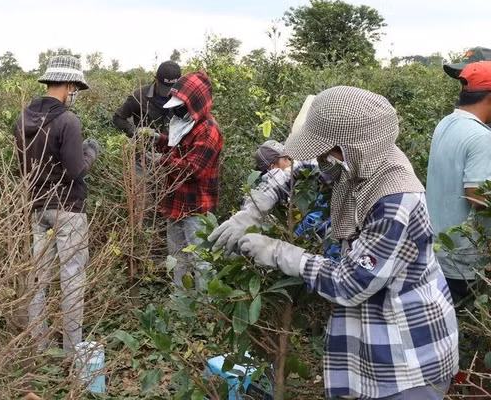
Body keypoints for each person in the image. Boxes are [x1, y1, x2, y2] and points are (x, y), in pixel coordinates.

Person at [236, 86, 458, 399]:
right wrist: (254, 208)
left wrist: (280, 253)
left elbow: (351, 283)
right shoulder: (367, 159)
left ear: (351, 147)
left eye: (328, 149)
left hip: (407, 358)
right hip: (371, 342)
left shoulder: (394, 199)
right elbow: (300, 171)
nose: (322, 157)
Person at [14, 55, 99, 354]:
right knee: (72, 277)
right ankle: (73, 353)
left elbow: (25, 167)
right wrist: (90, 152)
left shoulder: (22, 118)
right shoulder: (68, 120)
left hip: (37, 207)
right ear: (68, 84)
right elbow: (75, 170)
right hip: (68, 208)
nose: (74, 92)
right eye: (74, 87)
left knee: (39, 278)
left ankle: (40, 347)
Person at [427, 60, 491, 304]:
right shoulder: (481, 137)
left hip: (440, 250)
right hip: (465, 259)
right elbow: (478, 197)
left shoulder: (446, 123)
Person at [156, 71, 223, 290]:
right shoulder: (185, 122)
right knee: (177, 257)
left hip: (197, 209)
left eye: (181, 105)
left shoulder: (209, 130)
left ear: (194, 103)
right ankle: (181, 304)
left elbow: (193, 169)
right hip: (176, 204)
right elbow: (178, 147)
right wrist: (159, 141)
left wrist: (162, 160)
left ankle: (206, 310)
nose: (177, 109)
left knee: (201, 261)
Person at [111, 60, 180, 137]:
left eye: (171, 88)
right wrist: (135, 131)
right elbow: (117, 118)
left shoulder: (182, 99)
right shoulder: (139, 96)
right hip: (145, 146)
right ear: (156, 79)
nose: (167, 93)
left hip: (174, 147)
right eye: (163, 88)